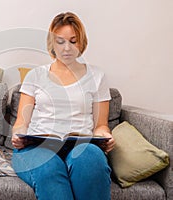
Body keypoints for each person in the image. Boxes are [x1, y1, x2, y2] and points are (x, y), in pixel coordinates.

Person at [11, 12, 115, 200]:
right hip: (37, 147)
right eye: (60, 42)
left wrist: (105, 136)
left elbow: (101, 125)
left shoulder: (97, 76)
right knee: (49, 166)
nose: (67, 48)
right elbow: (21, 122)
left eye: (73, 41)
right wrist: (17, 135)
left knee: (90, 160)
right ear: (52, 43)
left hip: (81, 144)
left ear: (81, 42)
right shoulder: (35, 76)